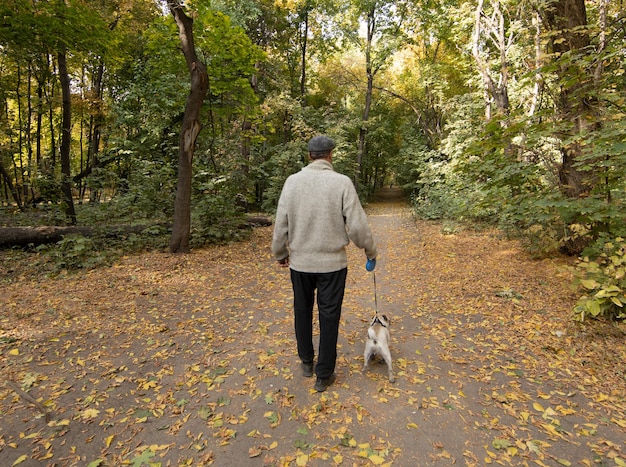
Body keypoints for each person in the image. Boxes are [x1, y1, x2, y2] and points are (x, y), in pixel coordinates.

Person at [272, 135, 378, 392]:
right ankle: (324, 374)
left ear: (309, 155)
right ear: (330, 155)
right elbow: (357, 225)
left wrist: (279, 252)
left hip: (300, 264)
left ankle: (307, 361)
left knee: (302, 310)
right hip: (332, 265)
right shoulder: (341, 182)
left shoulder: (292, 182)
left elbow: (281, 223)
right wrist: (370, 251)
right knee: (329, 316)